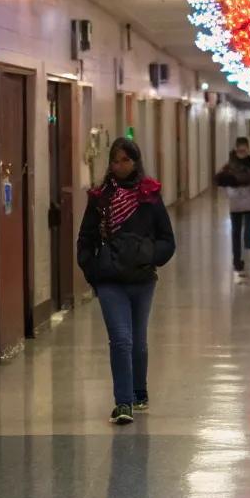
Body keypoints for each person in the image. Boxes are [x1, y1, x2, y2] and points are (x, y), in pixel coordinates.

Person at [77, 137, 175, 425]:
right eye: (115, 160)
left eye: (126, 160)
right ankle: (123, 403)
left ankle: (139, 391)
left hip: (142, 280)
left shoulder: (149, 196)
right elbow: (85, 239)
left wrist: (148, 254)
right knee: (120, 339)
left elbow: (168, 241)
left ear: (136, 162)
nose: (120, 166)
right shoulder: (100, 199)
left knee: (138, 342)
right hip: (110, 280)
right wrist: (93, 269)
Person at [214, 137, 250, 277]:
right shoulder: (229, 165)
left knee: (248, 231)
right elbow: (219, 179)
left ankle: (246, 253)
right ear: (237, 149)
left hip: (249, 203)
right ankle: (237, 260)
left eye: (245, 149)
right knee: (236, 232)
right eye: (240, 149)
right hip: (236, 204)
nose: (242, 152)